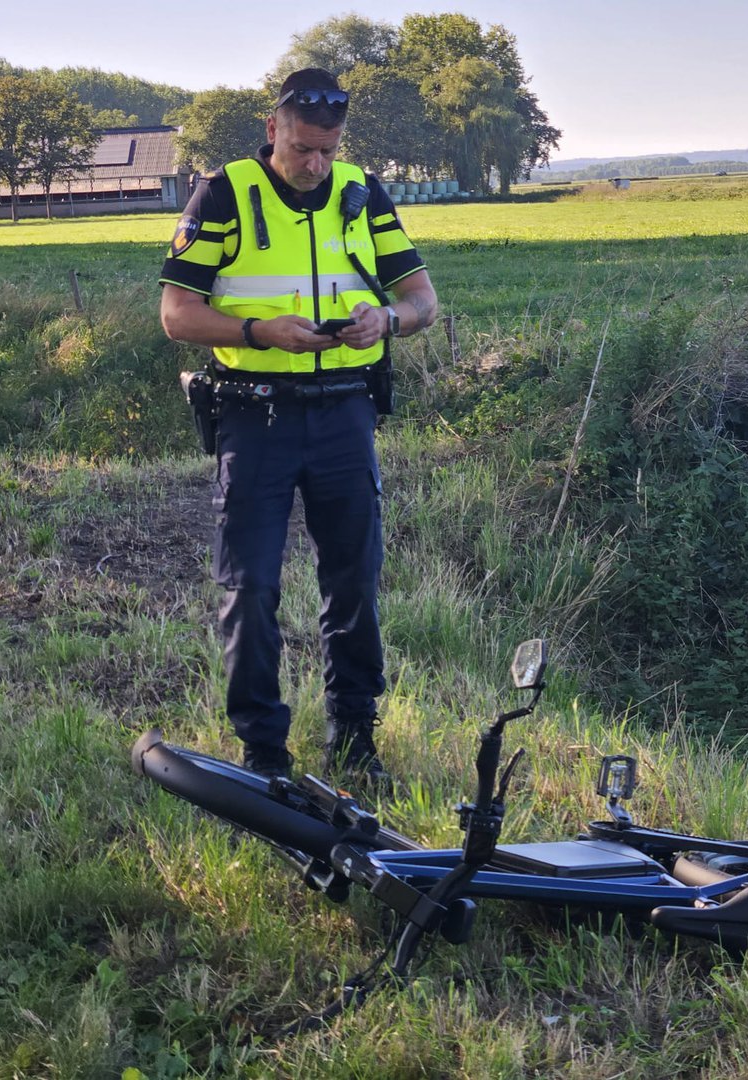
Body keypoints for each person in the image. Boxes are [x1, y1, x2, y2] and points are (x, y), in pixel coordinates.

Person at [159, 68, 437, 782]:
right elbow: (177, 316)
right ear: (273, 127)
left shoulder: (360, 191)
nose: (315, 164)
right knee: (249, 585)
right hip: (255, 414)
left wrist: (389, 319)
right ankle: (265, 753)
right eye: (303, 148)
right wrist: (260, 332)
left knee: (354, 583)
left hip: (346, 411)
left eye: (328, 149)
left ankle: (354, 738)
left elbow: (422, 301)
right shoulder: (224, 193)